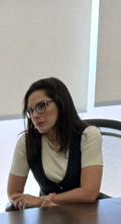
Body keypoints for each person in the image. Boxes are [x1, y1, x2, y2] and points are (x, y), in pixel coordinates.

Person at [6, 77, 103, 207]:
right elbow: (13, 192)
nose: (35, 115)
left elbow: (89, 193)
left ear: (61, 104)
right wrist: (28, 202)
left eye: (41, 106)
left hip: (85, 214)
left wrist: (41, 201)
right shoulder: (27, 142)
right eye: (30, 110)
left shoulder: (88, 135)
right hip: (47, 216)